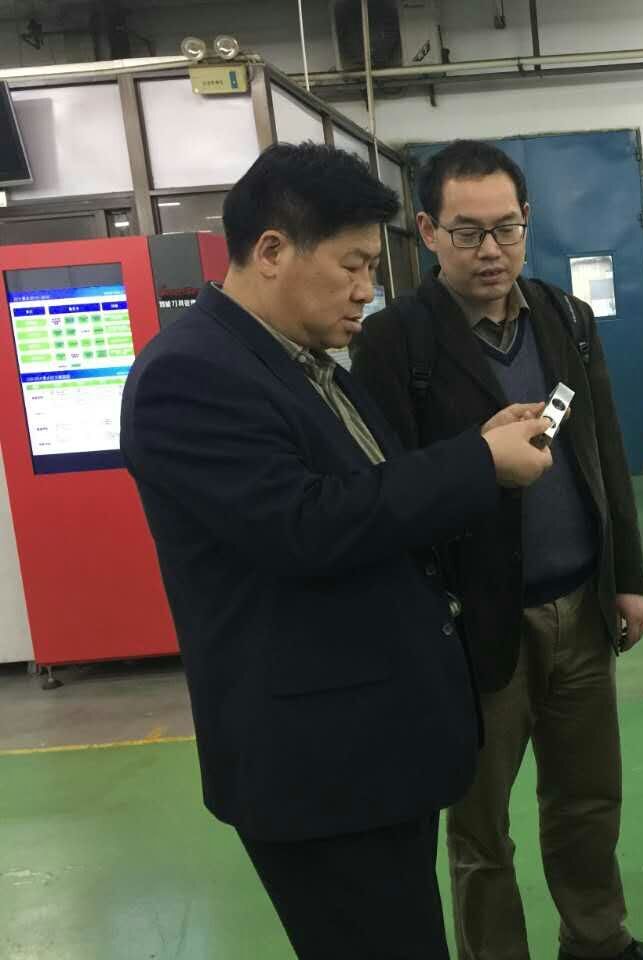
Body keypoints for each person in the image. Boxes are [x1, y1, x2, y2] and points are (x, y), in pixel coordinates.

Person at [120, 142, 554, 960]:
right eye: (353, 266)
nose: (366, 289)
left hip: (372, 747)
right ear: (272, 250)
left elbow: (370, 488)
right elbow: (306, 525)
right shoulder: (191, 375)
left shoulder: (307, 365)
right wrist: (476, 464)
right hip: (317, 768)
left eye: (372, 269)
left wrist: (474, 448)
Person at [351, 141, 643, 960]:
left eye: (506, 228)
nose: (491, 251)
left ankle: (597, 941)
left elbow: (601, 449)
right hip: (474, 626)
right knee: (480, 827)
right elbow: (388, 486)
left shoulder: (564, 319)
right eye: (468, 233)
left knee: (588, 800)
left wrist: (628, 577)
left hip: (581, 608)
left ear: (528, 221)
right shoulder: (396, 342)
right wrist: (475, 459)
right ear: (428, 231)